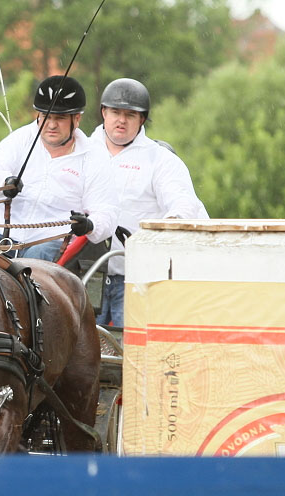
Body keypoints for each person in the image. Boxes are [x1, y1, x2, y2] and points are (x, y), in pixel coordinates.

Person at [76, 77, 209, 326]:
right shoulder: (79, 152)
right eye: (115, 112)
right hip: (83, 275)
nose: (121, 120)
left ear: (142, 119)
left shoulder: (160, 160)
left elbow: (183, 203)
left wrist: (169, 223)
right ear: (103, 112)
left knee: (131, 355)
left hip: (136, 280)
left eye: (130, 114)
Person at [0, 75, 117, 261]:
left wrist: (90, 225)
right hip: (1, 237)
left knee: (35, 257)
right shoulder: (20, 139)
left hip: (51, 243)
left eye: (59, 118)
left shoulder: (94, 158)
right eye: (46, 117)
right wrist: (5, 182)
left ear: (76, 119)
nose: (51, 125)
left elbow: (106, 212)